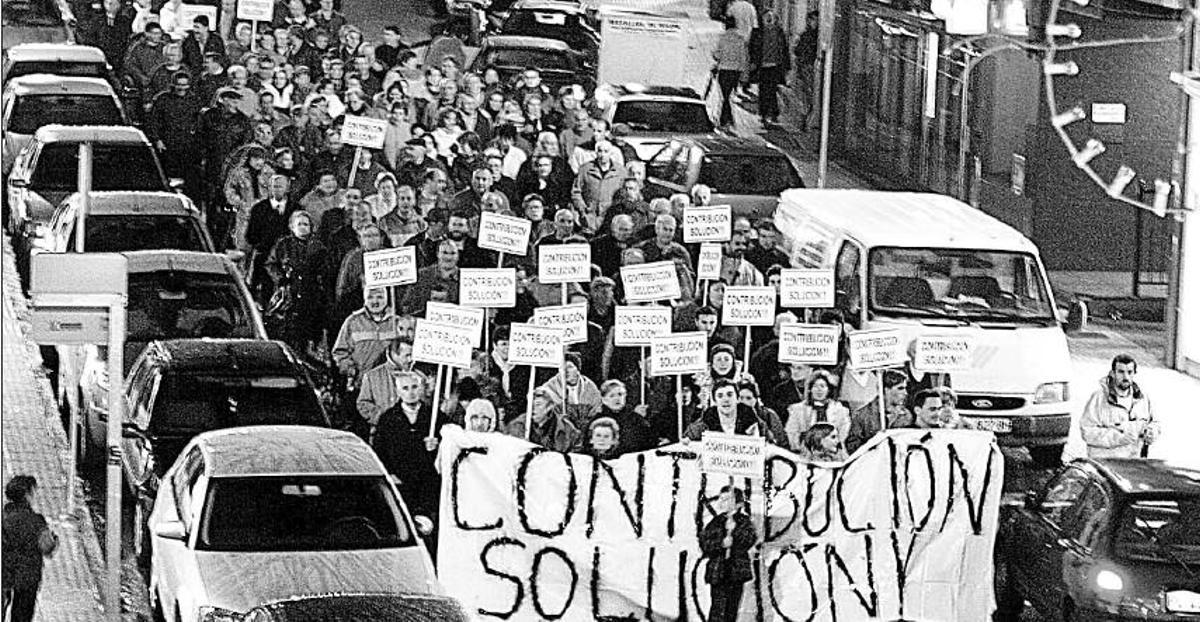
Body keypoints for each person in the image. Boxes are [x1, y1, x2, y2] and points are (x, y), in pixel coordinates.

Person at [373, 371, 444, 518]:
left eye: (414, 387)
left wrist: (438, 446)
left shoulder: (436, 417)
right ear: (398, 391)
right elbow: (379, 452)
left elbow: (448, 451)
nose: (411, 392)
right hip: (400, 484)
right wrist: (389, 475)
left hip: (427, 487)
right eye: (405, 388)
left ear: (421, 388)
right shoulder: (388, 419)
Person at [264, 210, 329, 355]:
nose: (302, 227)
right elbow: (270, 264)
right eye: (299, 224)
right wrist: (280, 278)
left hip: (311, 297)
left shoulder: (318, 247)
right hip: (289, 296)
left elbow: (325, 270)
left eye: (306, 224)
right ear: (292, 227)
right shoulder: (283, 244)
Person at [1080, 354, 1158, 458]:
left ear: (1134, 373)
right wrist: (1120, 438)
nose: (1125, 377)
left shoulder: (1142, 398)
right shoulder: (1099, 398)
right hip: (1106, 463)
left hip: (1135, 463)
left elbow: (1155, 423)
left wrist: (1152, 432)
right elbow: (1087, 432)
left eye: (1129, 372)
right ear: (1112, 373)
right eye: (1121, 372)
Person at [2, 475, 58, 622]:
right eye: (33, 491)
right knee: (22, 616)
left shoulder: (3, 517)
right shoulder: (36, 521)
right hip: (28, 577)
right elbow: (47, 547)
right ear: (27, 495)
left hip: (4, 572)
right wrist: (54, 540)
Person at [699, 485, 755, 622]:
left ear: (738, 503)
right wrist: (721, 544)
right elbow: (705, 544)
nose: (721, 503)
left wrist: (734, 536)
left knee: (731, 610)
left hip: (735, 573)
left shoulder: (744, 522)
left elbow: (749, 540)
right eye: (721, 499)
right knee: (718, 610)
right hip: (718, 572)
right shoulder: (715, 522)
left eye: (726, 500)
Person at [357, 338, 413, 440]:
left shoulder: (416, 376)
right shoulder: (372, 376)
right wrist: (384, 418)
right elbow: (363, 404)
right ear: (395, 354)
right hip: (382, 435)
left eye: (412, 355)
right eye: (407, 355)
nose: (411, 360)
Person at [845, 369, 912, 453]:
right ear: (885, 389)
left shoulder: (907, 415)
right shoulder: (863, 415)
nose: (905, 393)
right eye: (900, 388)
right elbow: (852, 447)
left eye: (905, 388)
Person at [784, 370, 850, 449]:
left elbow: (844, 436)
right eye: (815, 386)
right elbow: (791, 434)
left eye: (822, 386)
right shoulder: (797, 410)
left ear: (829, 390)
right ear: (810, 390)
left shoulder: (841, 410)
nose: (819, 390)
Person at [589, 379, 655, 455]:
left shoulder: (635, 418)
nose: (617, 399)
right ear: (604, 399)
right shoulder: (597, 421)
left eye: (620, 394)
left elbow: (650, 441)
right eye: (612, 396)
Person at [536, 353, 602, 428]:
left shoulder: (590, 387)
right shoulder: (550, 387)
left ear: (578, 369)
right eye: (562, 367)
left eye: (570, 367)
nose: (566, 371)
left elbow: (596, 409)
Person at [505, 388, 582, 452]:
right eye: (530, 404)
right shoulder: (516, 426)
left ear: (550, 406)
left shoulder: (568, 430)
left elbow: (575, 458)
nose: (532, 408)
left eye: (538, 405)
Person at [686, 379, 762, 440]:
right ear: (715, 401)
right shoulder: (702, 425)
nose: (725, 400)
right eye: (720, 396)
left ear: (738, 399)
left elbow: (771, 444)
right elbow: (685, 444)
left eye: (730, 395)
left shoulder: (752, 420)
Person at [713, 17, 748, 129]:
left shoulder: (722, 38)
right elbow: (743, 57)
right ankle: (728, 118)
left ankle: (725, 119)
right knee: (728, 95)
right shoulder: (740, 39)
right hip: (735, 71)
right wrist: (743, 73)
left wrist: (715, 56)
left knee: (725, 95)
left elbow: (717, 55)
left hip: (724, 69)